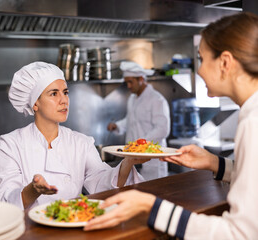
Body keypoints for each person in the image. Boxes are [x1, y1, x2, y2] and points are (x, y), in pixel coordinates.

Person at [84, 12, 258, 239]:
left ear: (225, 62)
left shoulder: (252, 122)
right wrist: (215, 163)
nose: (200, 71)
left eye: (201, 59)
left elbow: (241, 233)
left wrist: (152, 207)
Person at [0, 61, 146, 209]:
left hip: (74, 224)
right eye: (54, 93)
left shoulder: (80, 142)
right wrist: (33, 190)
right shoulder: (11, 144)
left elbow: (101, 184)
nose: (64, 100)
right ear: (35, 103)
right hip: (31, 231)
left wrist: (127, 162)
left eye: (65, 92)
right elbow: (6, 201)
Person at [107, 61, 170, 180]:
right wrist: (117, 126)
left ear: (141, 79)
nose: (128, 86)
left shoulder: (157, 100)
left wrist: (140, 144)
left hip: (151, 159)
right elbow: (131, 120)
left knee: (152, 193)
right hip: (132, 156)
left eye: (131, 82)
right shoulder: (132, 99)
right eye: (127, 83)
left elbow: (162, 129)